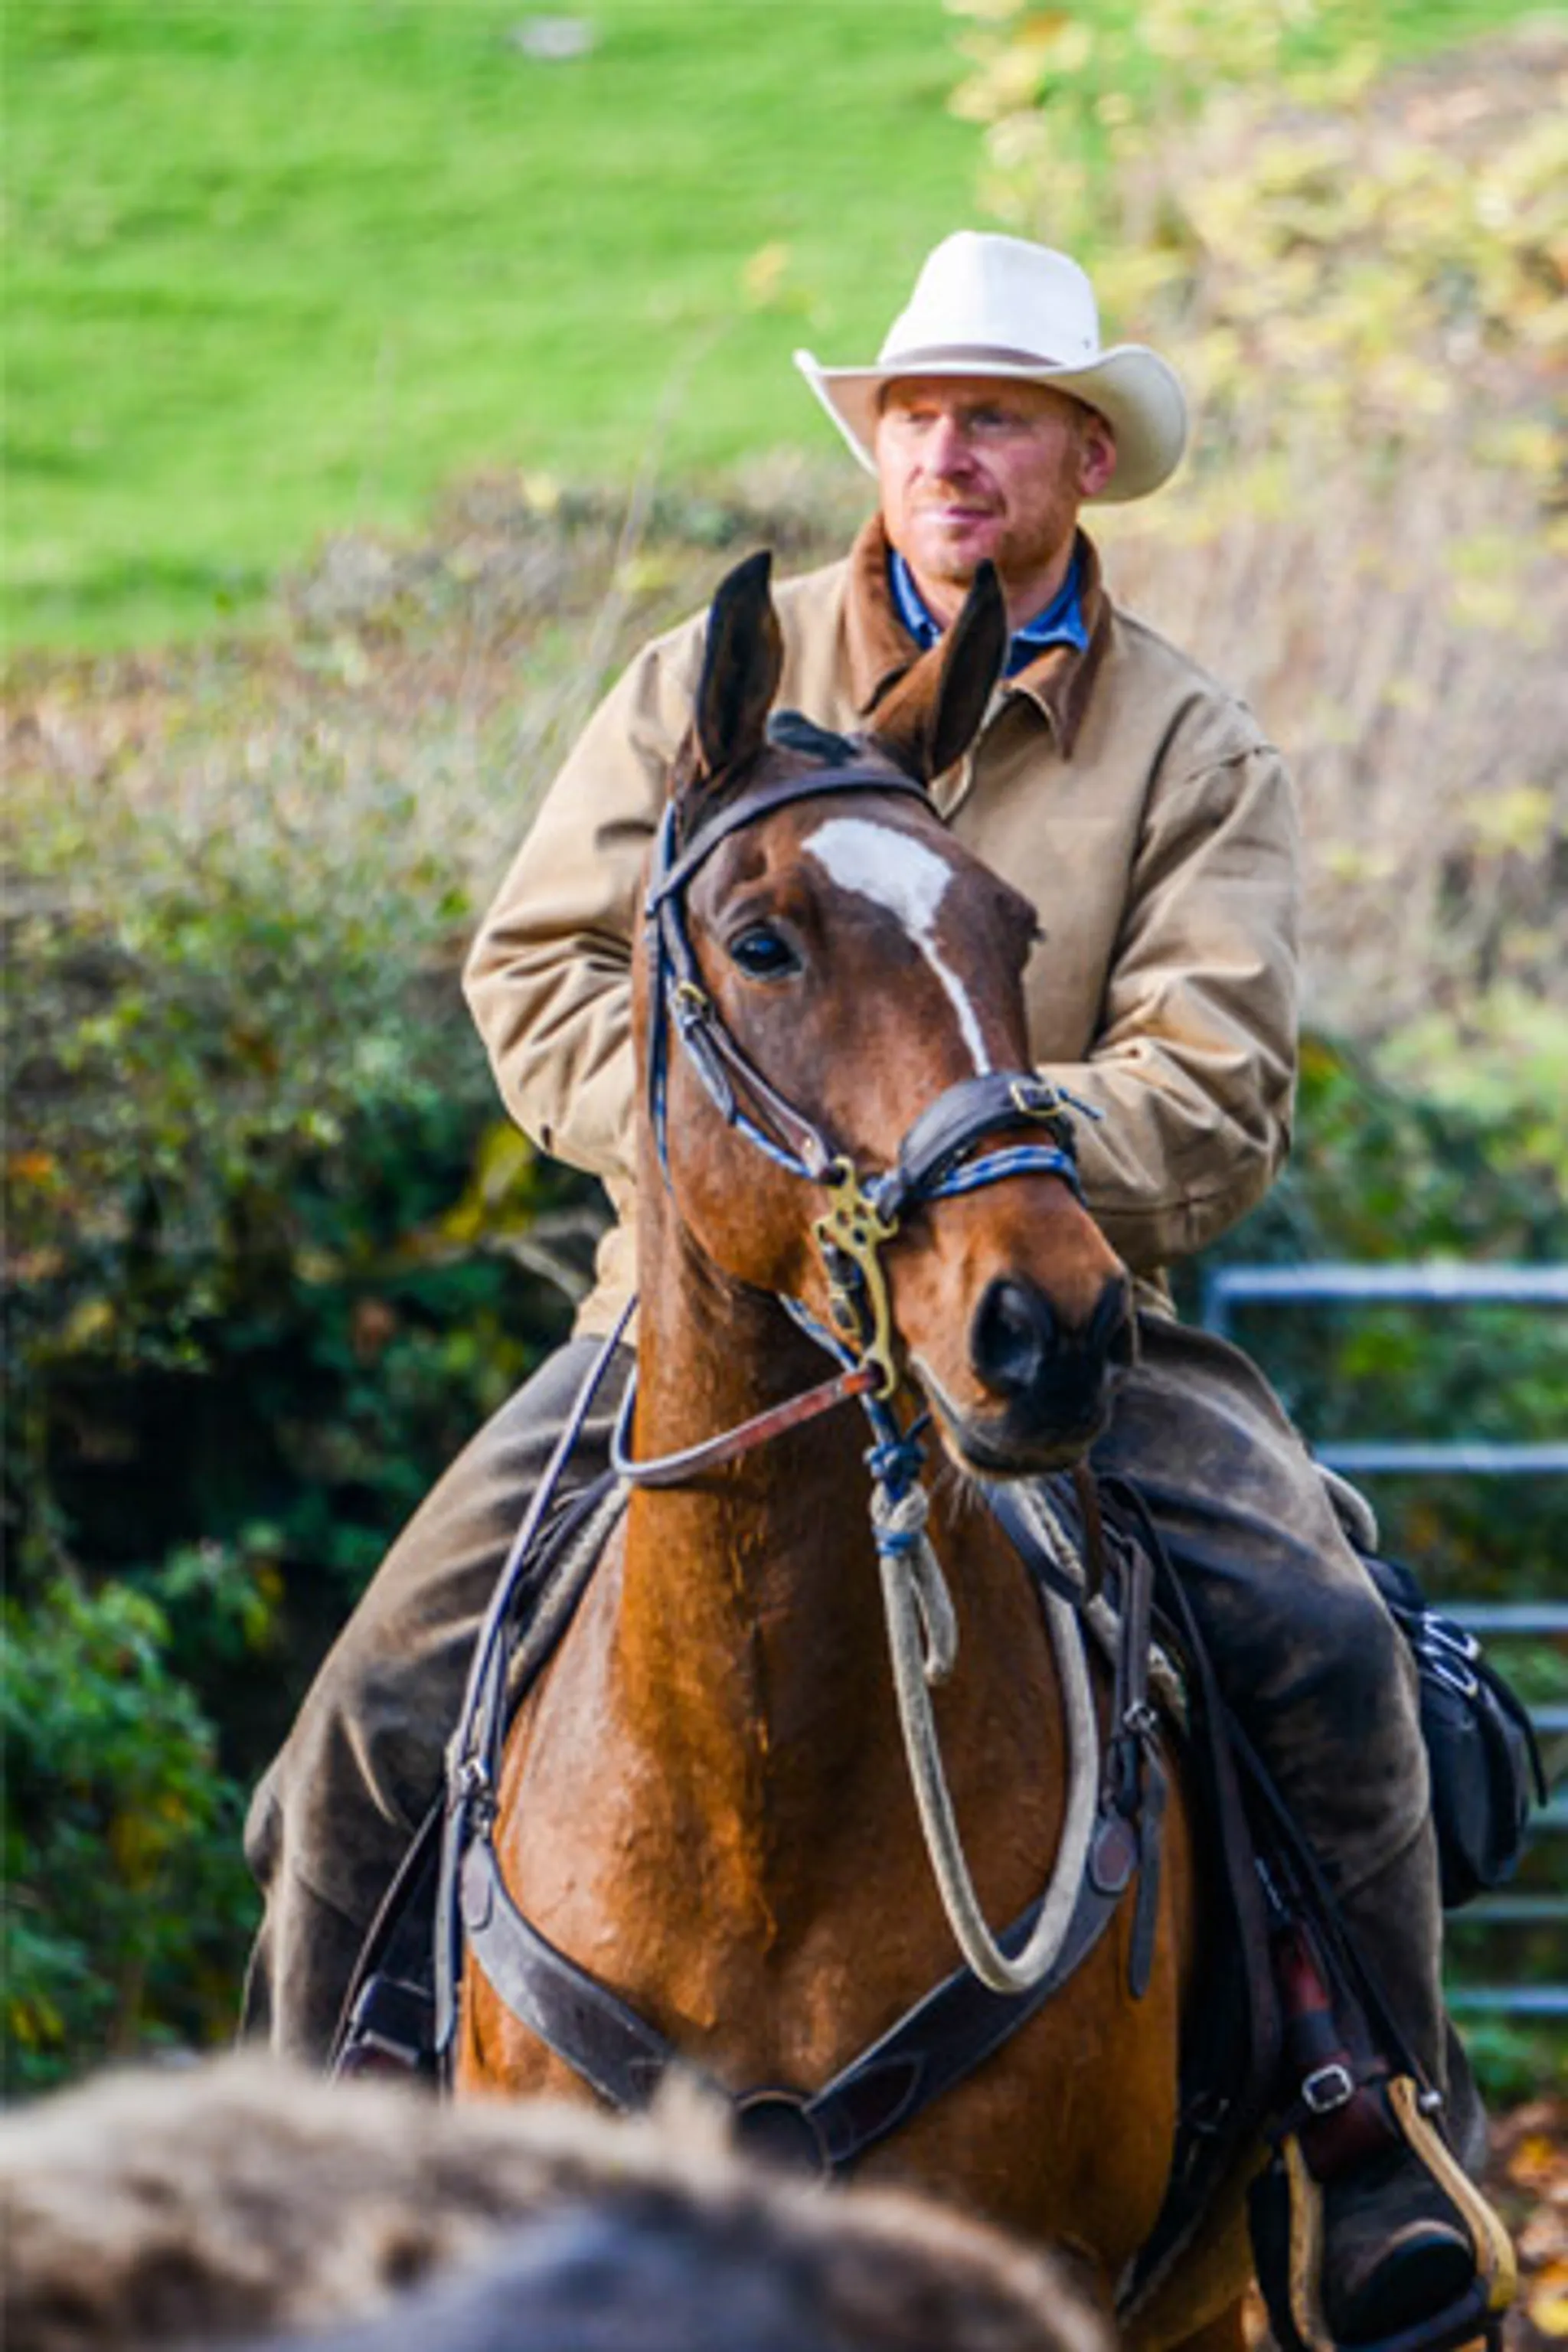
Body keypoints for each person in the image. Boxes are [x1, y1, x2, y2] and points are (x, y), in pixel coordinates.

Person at [243, 233, 1509, 2339]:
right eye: (920, 416)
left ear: (1086, 456)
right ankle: (300, 2193)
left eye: (997, 417)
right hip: (700, 1328)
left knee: (1319, 1644)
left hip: (1049, 1321)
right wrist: (733, 1174)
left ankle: (1379, 2152)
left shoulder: (1191, 745)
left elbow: (1220, 1082)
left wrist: (967, 1166)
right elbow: (532, 970)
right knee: (369, 1715)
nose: (949, 455)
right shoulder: (701, 691)